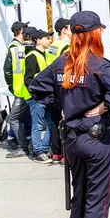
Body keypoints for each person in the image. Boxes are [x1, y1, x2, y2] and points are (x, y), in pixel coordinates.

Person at [29, 11, 110, 218]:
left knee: (80, 192)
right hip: (97, 138)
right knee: (97, 198)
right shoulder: (99, 64)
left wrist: (62, 106)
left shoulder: (62, 62)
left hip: (71, 137)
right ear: (95, 33)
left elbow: (36, 88)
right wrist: (101, 107)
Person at [3, 21, 32, 158]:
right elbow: (8, 70)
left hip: (20, 89)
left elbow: (7, 71)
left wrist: (11, 86)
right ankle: (23, 145)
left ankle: (20, 143)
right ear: (21, 31)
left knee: (15, 118)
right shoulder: (18, 48)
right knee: (16, 118)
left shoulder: (15, 47)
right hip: (23, 90)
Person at [25, 29, 53, 164]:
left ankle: (44, 148)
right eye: (47, 38)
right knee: (37, 124)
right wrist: (36, 94)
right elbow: (28, 79)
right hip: (37, 97)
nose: (50, 40)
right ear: (38, 41)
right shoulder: (32, 56)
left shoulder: (45, 54)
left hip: (45, 95)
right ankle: (38, 152)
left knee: (50, 123)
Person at [46, 18, 71, 163]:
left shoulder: (53, 46)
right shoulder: (65, 48)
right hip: (63, 87)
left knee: (55, 120)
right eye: (71, 28)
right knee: (65, 120)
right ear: (64, 30)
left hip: (53, 86)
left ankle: (56, 152)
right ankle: (65, 152)